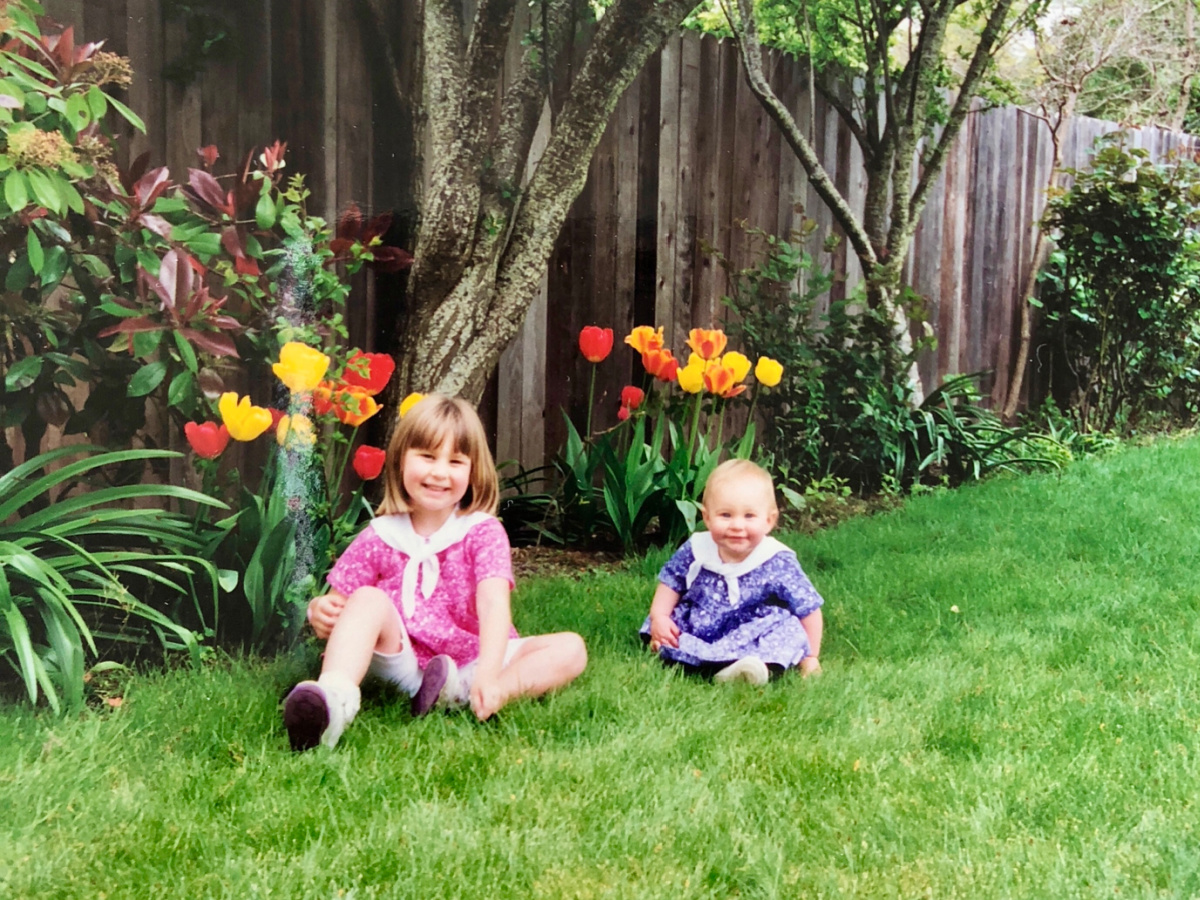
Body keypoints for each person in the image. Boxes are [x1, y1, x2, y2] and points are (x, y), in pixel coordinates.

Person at [283, 393, 587, 751]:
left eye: (455, 461)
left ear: (473, 471)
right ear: (400, 460)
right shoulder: (380, 535)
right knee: (366, 599)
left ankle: (481, 694)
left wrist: (489, 674)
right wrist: (322, 611)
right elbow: (341, 608)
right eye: (427, 456)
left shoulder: (482, 532)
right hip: (405, 663)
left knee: (572, 648)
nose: (439, 472)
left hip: (473, 661)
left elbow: (493, 605)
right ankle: (334, 701)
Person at [641, 459, 824, 685]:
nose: (737, 525)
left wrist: (811, 655)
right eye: (726, 515)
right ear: (707, 517)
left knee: (788, 628)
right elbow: (671, 582)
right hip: (703, 625)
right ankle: (698, 658)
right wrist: (660, 617)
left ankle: (750, 667)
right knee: (670, 630)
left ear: (769, 520)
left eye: (749, 516)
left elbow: (808, 607)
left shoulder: (776, 559)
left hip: (752, 630)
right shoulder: (698, 548)